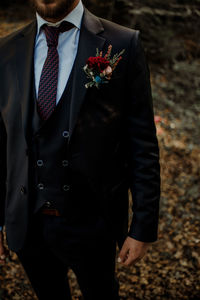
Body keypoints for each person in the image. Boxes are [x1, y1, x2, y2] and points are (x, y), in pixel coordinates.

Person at [0, 0, 160, 299]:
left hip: (93, 221)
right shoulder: (5, 50)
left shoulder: (122, 42)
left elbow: (142, 143)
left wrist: (143, 226)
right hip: (27, 223)